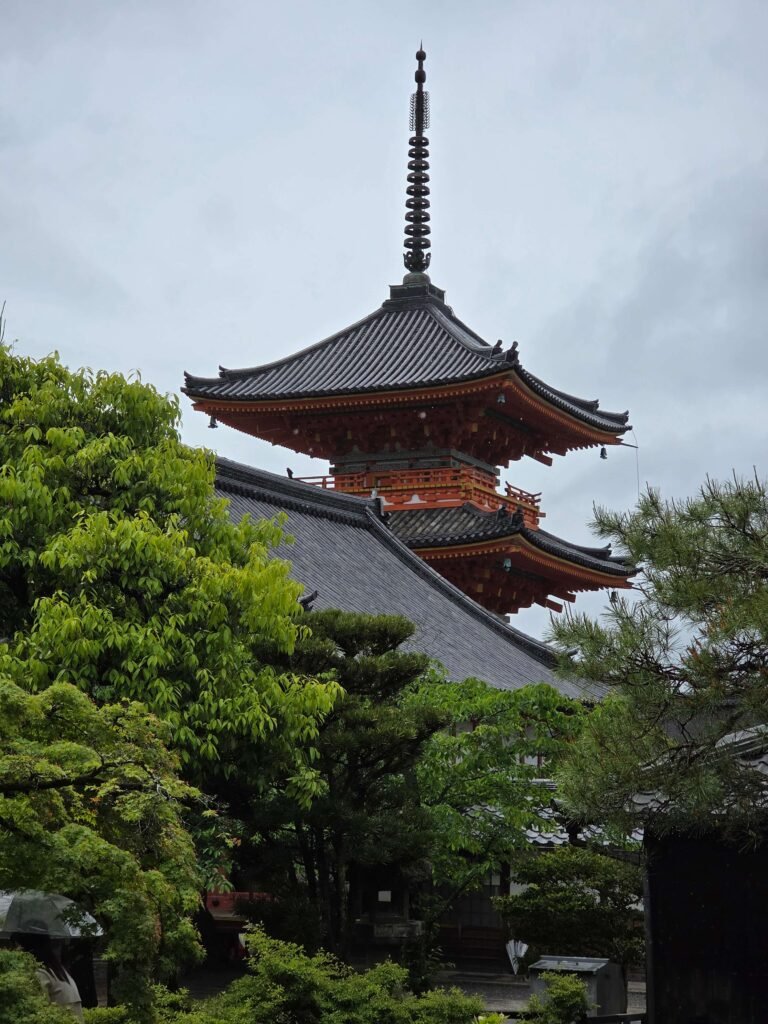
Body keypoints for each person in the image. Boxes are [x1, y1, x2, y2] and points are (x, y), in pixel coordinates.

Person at [12, 921, 84, 1020]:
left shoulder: (41, 974)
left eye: (18, 946)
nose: (16, 951)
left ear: (28, 947)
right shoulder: (58, 970)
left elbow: (36, 1011)